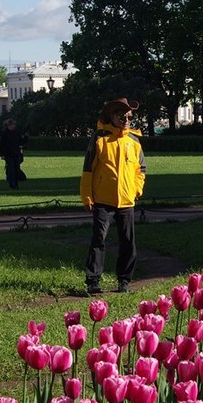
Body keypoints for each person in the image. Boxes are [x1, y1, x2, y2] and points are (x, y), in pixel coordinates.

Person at [80, 98, 146, 294]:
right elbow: (88, 170)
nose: (126, 120)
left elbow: (140, 169)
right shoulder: (99, 138)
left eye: (129, 117)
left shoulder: (134, 141)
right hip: (102, 200)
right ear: (112, 117)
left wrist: (136, 189)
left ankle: (124, 280)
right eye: (122, 116)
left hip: (126, 200)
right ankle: (93, 281)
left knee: (127, 241)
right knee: (98, 240)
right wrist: (87, 196)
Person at [0, 118, 25, 189]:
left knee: (16, 169)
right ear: (8, 126)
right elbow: (2, 145)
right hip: (8, 154)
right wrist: (2, 154)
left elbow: (21, 142)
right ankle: (12, 184)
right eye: (12, 125)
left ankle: (16, 184)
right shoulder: (5, 134)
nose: (13, 126)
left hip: (16, 153)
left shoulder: (17, 133)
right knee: (11, 170)